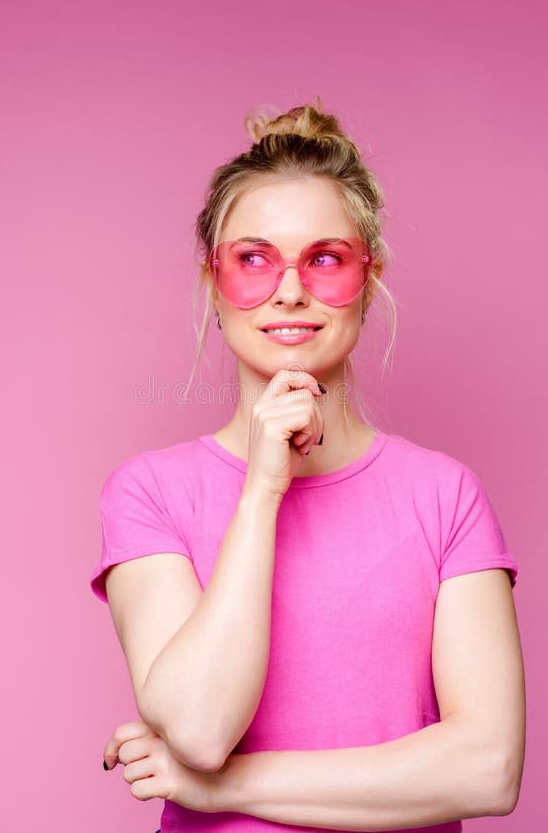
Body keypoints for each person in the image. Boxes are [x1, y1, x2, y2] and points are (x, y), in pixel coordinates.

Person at [90, 98, 525, 832]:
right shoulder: (150, 493)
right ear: (212, 281)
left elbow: (488, 770)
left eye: (324, 259)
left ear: (368, 275)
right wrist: (263, 488)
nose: (289, 289)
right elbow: (198, 728)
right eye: (253, 259)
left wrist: (221, 789)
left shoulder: (444, 495)